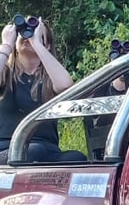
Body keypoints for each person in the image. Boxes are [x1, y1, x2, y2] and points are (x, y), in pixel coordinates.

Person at [0, 16, 86, 163]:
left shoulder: (50, 77)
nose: (27, 35)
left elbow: (66, 86)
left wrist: (36, 43)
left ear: (46, 44)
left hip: (47, 150)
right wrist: (6, 45)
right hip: (8, 149)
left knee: (77, 158)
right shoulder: (6, 73)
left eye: (35, 32)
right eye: (23, 32)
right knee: (34, 151)